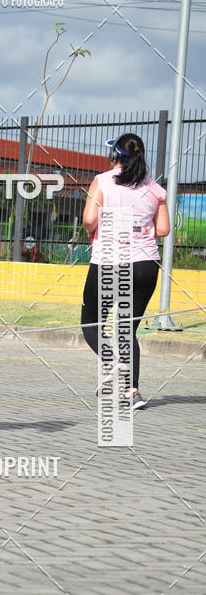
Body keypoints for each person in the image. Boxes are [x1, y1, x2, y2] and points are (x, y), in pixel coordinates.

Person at [81, 133, 170, 409]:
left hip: (109, 262)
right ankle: (133, 392)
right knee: (126, 330)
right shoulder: (155, 188)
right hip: (145, 265)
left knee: (91, 322)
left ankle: (112, 362)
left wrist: (91, 232)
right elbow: (164, 230)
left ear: (115, 156)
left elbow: (89, 219)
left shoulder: (103, 181)